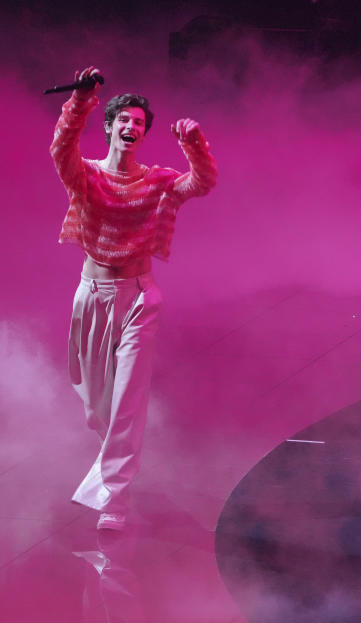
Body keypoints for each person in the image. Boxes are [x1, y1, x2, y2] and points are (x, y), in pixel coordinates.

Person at [51, 66, 217, 530]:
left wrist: (194, 143)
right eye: (124, 120)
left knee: (126, 401)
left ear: (144, 133)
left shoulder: (159, 180)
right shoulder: (84, 174)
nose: (131, 127)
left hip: (139, 299)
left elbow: (200, 183)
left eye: (140, 123)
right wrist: (80, 101)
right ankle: (114, 470)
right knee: (96, 407)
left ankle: (115, 501)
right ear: (109, 127)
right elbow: (60, 148)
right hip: (91, 295)